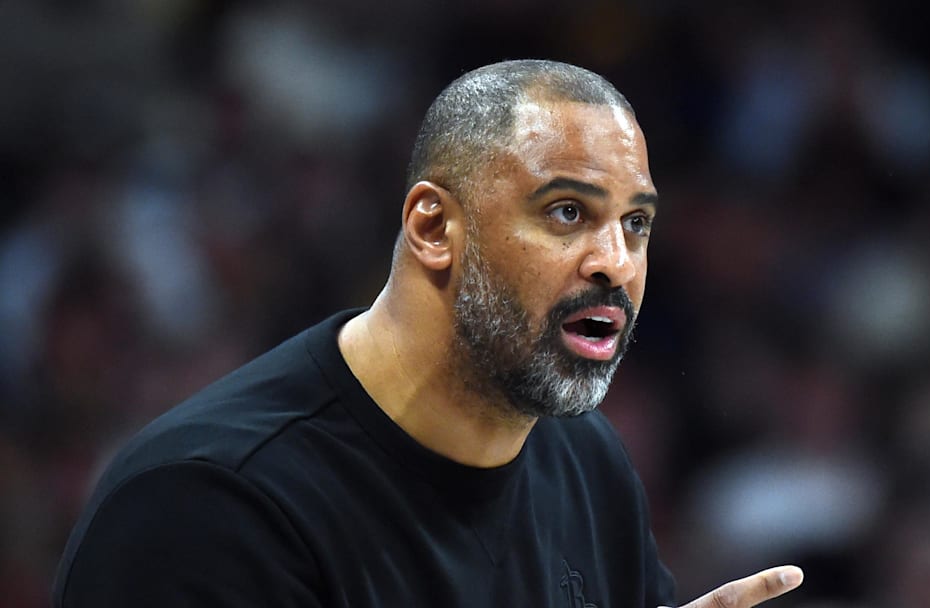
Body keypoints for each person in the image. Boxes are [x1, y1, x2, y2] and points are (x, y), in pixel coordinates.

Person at [53, 59, 803, 607]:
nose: (615, 262)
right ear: (433, 227)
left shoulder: (585, 461)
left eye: (635, 223)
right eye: (567, 211)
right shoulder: (209, 506)